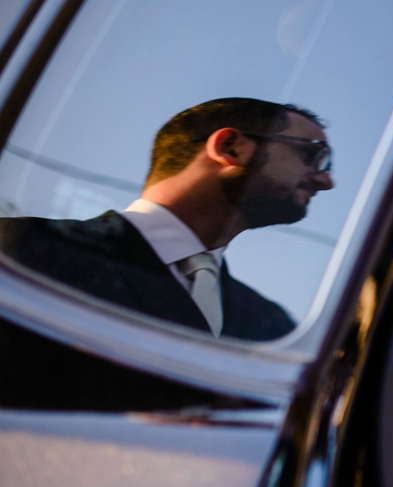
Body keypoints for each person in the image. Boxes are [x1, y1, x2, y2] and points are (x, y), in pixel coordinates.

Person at [0, 97, 333, 341]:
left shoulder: (273, 327)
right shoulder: (19, 252)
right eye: (313, 156)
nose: (326, 180)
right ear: (231, 147)